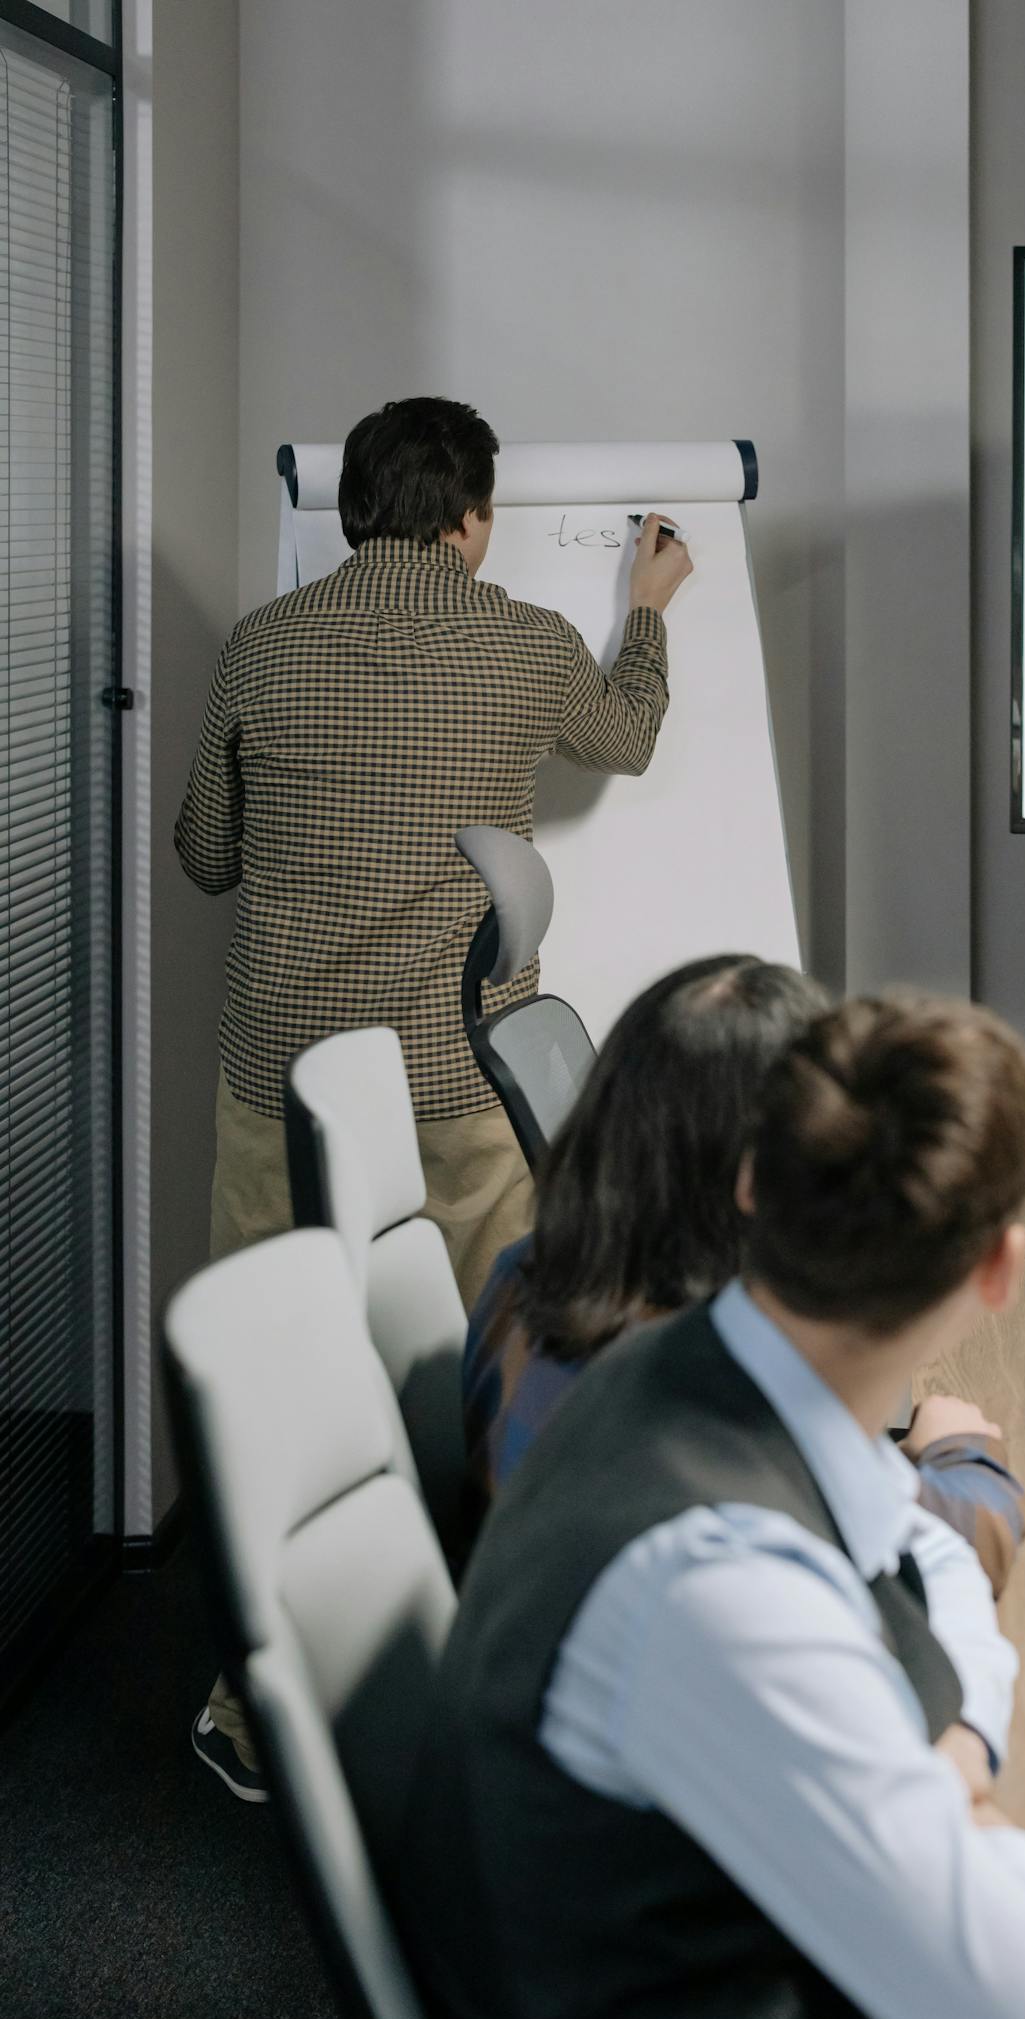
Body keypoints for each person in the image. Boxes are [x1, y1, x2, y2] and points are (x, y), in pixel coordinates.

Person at [398, 992, 1025, 2019]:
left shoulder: (686, 1361)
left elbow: (923, 1542)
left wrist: (961, 1745)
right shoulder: (719, 1583)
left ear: (752, 1184)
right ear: (1000, 1271)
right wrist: (963, 1827)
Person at [176, 395, 692, 1802]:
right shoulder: (523, 642)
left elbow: (205, 858)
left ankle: (254, 1703)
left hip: (284, 1080)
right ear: (470, 522)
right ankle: (486, 1673)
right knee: (489, 1387)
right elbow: (629, 737)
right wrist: (644, 608)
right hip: (456, 1079)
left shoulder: (259, 649)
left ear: (354, 513)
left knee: (273, 1396)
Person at [458, 955, 1025, 1595]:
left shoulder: (525, 1271)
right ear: (762, 1169)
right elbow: (955, 1549)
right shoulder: (706, 1376)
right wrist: (960, 1451)